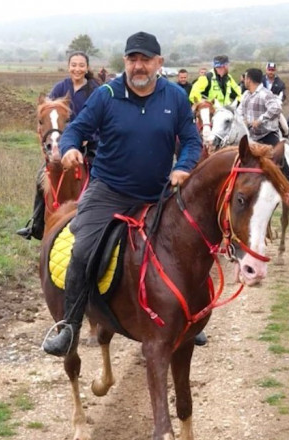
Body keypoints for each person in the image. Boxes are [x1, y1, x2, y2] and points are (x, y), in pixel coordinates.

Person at [41, 31, 202, 357]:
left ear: (159, 62)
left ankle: (191, 318)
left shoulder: (175, 98)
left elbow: (192, 141)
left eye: (145, 59)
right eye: (132, 59)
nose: (138, 66)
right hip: (108, 191)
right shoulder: (107, 95)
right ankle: (70, 325)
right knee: (83, 248)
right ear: (125, 62)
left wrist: (183, 166)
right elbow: (76, 129)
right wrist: (70, 147)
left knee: (189, 247)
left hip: (157, 193)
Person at [17, 51, 100, 240]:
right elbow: (49, 114)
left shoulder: (95, 90)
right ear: (68, 66)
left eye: (81, 65)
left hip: (90, 145)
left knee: (99, 175)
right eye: (74, 65)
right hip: (62, 145)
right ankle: (37, 224)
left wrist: (87, 137)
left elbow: (101, 119)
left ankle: (98, 221)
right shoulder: (60, 87)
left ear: (87, 68)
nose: (77, 69)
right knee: (41, 177)